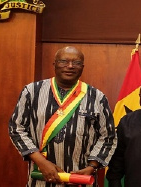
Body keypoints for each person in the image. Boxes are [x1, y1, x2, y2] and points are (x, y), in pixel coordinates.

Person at [9, 46, 117, 187]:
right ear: (54, 64)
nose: (70, 66)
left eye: (76, 63)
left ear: (82, 67)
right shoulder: (31, 91)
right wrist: (41, 162)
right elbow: (16, 128)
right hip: (41, 179)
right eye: (64, 61)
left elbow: (108, 136)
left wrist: (92, 167)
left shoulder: (97, 97)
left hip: (81, 181)